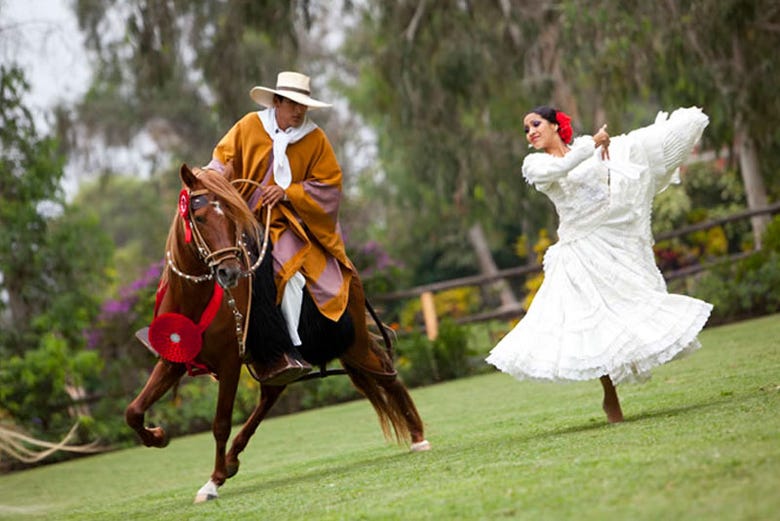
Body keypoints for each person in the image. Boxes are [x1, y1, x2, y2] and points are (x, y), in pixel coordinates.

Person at [485, 105, 713, 422]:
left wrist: (611, 151)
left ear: (554, 125)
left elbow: (606, 177)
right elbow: (559, 170)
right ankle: (610, 396)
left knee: (628, 304)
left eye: (535, 124)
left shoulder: (585, 148)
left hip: (609, 237)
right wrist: (593, 143)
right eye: (526, 129)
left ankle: (630, 365)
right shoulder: (535, 164)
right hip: (577, 250)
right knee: (592, 320)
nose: (531, 132)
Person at [205, 71, 356, 384]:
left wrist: (288, 192)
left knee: (291, 275)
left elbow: (329, 186)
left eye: (303, 105)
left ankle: (285, 349)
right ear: (277, 101)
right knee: (210, 259)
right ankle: (209, 348)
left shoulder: (315, 139)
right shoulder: (248, 126)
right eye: (292, 104)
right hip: (242, 219)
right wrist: (205, 179)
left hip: (287, 224)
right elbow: (221, 162)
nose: (299, 111)